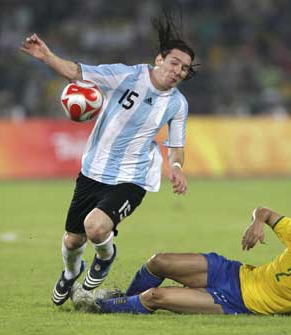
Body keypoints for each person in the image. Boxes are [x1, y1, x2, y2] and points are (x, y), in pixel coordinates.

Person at [20, 12, 197, 306]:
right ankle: (70, 271)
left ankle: (105, 256)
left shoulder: (178, 104)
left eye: (185, 68)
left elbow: (176, 145)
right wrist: (46, 56)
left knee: (96, 226)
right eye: (174, 62)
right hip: (93, 171)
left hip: (133, 178)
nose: (178, 71)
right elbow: (78, 73)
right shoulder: (126, 76)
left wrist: (176, 166)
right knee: (72, 240)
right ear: (159, 60)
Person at [71, 206, 291, 320]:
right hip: (234, 272)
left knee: (156, 297)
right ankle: (124, 298)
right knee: (159, 261)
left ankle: (98, 306)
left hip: (237, 301)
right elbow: (263, 211)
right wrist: (257, 224)